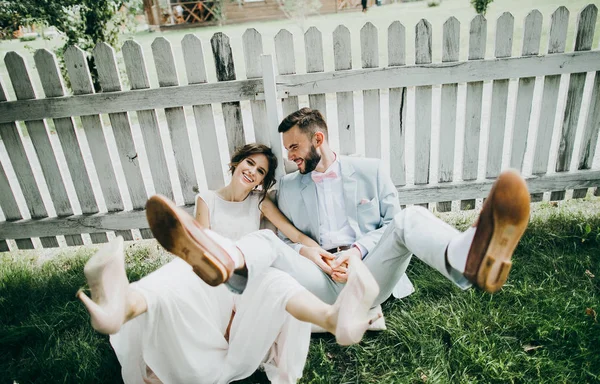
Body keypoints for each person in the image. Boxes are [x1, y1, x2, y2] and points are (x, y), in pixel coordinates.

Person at [158, 108, 530, 312]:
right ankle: (224, 262)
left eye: (294, 148)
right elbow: (285, 239)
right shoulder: (285, 187)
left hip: (370, 275)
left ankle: (466, 259)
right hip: (317, 279)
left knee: (408, 217)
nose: (288, 157)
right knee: (265, 242)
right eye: (286, 150)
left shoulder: (372, 170)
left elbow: (388, 227)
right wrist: (314, 255)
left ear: (318, 139)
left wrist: (356, 252)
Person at [77, 143, 380, 384]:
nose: (253, 172)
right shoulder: (206, 199)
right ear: (237, 163)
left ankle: (332, 318)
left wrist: (326, 256)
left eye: (260, 171)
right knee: (182, 270)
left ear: (263, 181)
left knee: (278, 281)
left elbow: (294, 235)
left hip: (247, 281)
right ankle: (123, 305)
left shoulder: (260, 203)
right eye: (250, 163)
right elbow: (190, 254)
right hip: (209, 283)